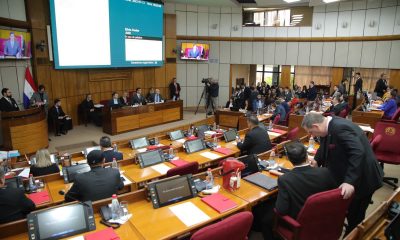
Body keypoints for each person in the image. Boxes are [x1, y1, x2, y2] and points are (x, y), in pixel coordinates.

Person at [301, 113, 383, 234]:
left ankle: (352, 236)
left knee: (355, 218)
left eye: (311, 132)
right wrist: (317, 160)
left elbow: (357, 152)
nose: (311, 135)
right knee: (348, 209)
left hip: (363, 180)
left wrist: (350, 182)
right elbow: (324, 144)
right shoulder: (328, 125)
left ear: (316, 126)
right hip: (350, 173)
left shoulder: (340, 128)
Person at [253, 141, 337, 240]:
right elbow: (333, 193)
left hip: (299, 221)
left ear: (288, 158)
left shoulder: (285, 179)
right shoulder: (325, 172)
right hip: (323, 216)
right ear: (307, 156)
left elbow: (281, 210)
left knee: (265, 218)